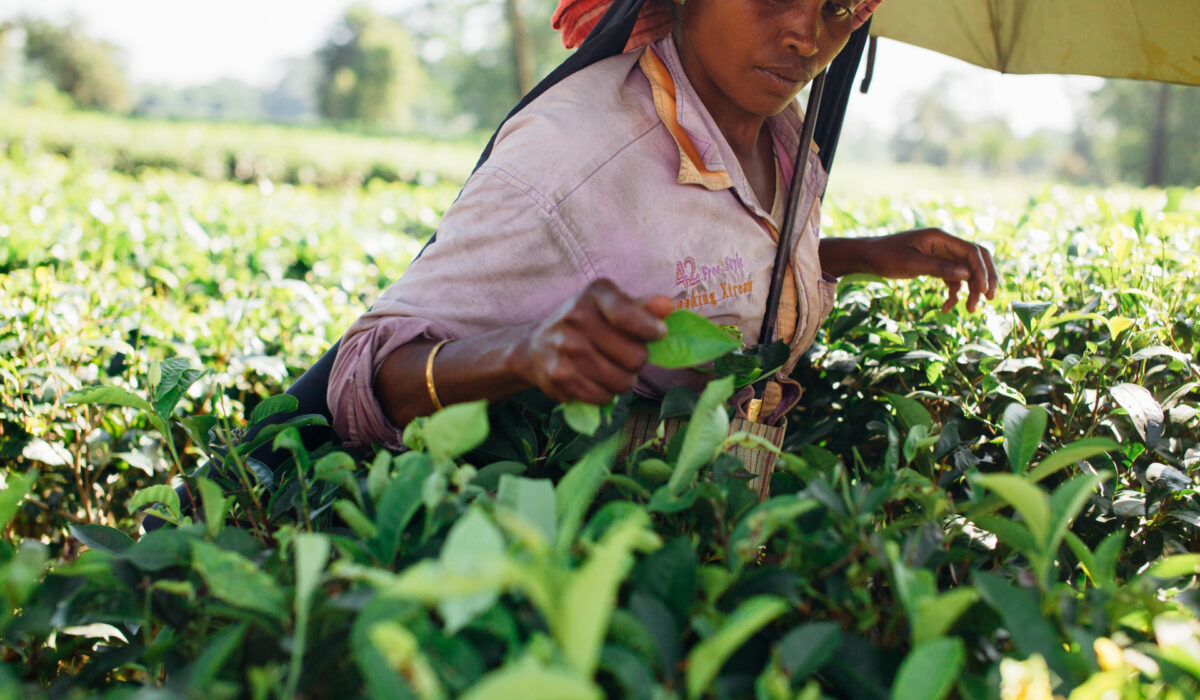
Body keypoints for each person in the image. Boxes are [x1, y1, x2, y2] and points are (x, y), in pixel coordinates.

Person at [326, 0, 998, 451]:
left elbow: (699, 263)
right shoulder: (574, 156)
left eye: (838, 6)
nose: (807, 35)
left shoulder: (782, 132)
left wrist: (861, 256)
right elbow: (363, 375)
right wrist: (525, 353)